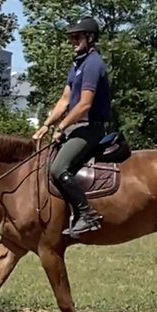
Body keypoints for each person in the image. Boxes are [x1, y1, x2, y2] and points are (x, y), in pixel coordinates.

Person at [33, 15, 112, 237]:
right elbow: (65, 100)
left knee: (58, 168)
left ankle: (87, 215)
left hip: (90, 128)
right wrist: (47, 125)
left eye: (77, 36)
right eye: (71, 37)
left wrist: (61, 127)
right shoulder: (78, 64)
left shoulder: (93, 64)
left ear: (90, 37)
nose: (73, 41)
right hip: (76, 127)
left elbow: (84, 104)